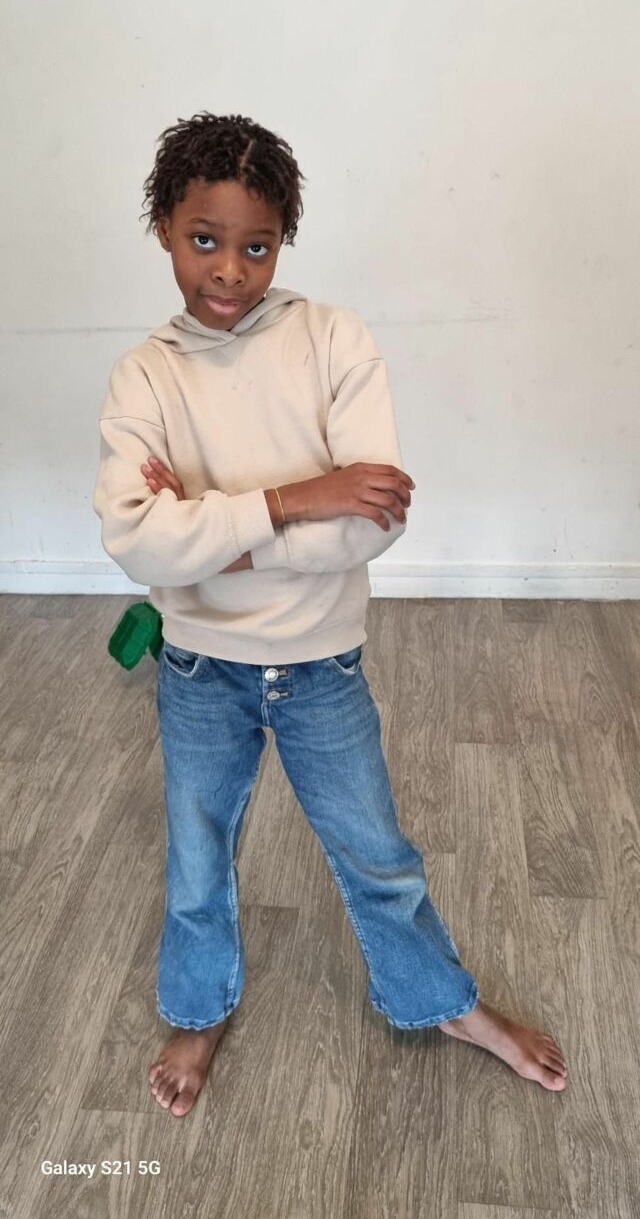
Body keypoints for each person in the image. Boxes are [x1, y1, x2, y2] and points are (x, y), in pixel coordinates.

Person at [93, 110, 568, 1118]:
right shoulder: (146, 375)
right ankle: (200, 1007)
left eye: (257, 246)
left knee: (376, 854)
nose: (229, 271)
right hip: (197, 668)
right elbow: (134, 540)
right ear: (164, 228)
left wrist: (207, 525)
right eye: (204, 240)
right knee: (196, 856)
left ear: (284, 241)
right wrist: (299, 496)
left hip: (321, 666)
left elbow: (372, 521)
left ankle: (439, 1002)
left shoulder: (332, 340)